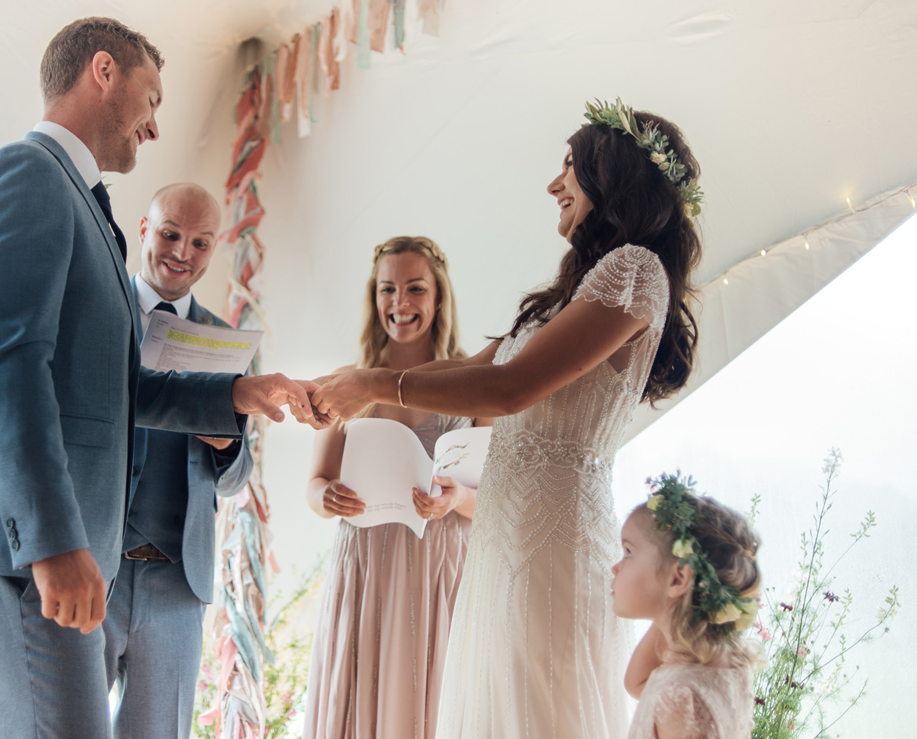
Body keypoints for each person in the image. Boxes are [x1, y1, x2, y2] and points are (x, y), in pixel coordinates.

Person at [0, 17, 315, 739]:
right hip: (24, 553)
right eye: (152, 98)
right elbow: (6, 366)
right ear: (104, 71)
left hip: (41, 553)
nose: (155, 126)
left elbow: (115, 390)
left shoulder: (81, 203)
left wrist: (235, 393)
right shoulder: (26, 174)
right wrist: (54, 544)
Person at [311, 99, 704, 738]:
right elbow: (469, 366)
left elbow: (510, 388)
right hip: (507, 531)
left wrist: (376, 383)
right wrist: (342, 384)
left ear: (612, 178)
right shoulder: (583, 284)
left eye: (569, 168)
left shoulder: (634, 271)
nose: (554, 184)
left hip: (554, 533)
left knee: (541, 705)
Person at [302, 236, 491, 739]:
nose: (400, 303)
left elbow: (489, 499)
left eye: (414, 288)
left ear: (438, 297)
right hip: (367, 565)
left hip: (438, 568)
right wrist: (326, 498)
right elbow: (315, 485)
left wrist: (456, 498)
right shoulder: (347, 381)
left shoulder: (474, 378)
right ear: (374, 297)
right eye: (388, 289)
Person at [101, 182, 254, 738]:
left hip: (177, 584)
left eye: (200, 242)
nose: (181, 253)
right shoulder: (101, 311)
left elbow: (237, 478)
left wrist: (228, 444)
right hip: (96, 569)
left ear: (215, 249)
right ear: (144, 230)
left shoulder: (228, 344)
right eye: (170, 234)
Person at [613, 473, 761, 739]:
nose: (615, 567)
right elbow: (636, 682)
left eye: (628, 552)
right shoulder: (727, 668)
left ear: (678, 577)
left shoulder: (679, 698)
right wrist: (672, 606)